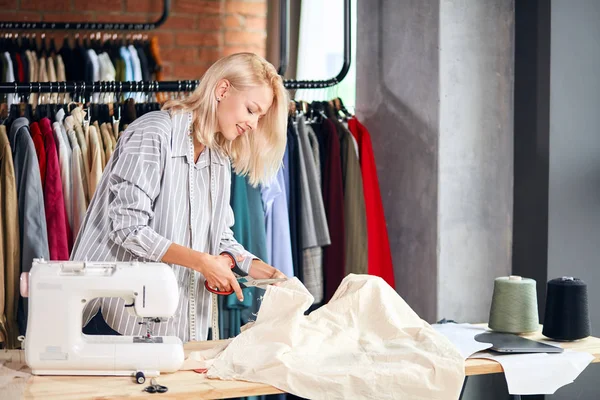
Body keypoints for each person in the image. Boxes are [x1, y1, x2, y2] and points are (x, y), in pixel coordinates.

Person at [71, 53, 289, 342]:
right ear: (222, 90)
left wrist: (252, 265)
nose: (253, 123)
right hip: (118, 319)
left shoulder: (219, 156)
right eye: (251, 109)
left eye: (259, 117)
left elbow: (219, 234)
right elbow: (128, 229)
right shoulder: (153, 133)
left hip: (179, 323)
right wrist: (202, 262)